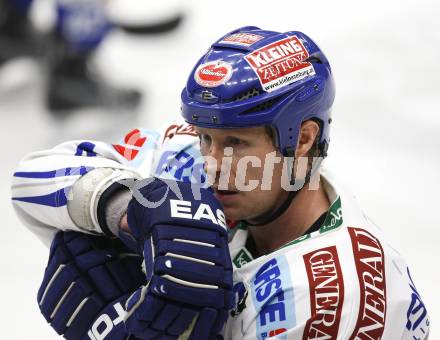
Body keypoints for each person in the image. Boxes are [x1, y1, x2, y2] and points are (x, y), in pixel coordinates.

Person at [11, 26, 430, 339]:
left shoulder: (340, 299)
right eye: (206, 136)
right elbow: (28, 182)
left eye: (235, 142)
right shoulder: (190, 157)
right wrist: (122, 209)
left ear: (301, 139)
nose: (211, 163)